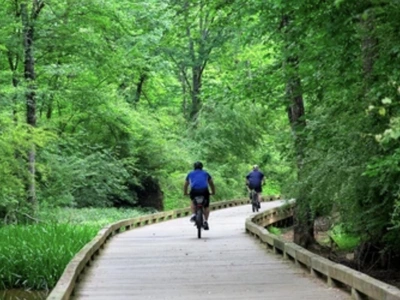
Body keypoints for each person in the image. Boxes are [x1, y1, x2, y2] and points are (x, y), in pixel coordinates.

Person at [184, 161, 215, 230]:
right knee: (206, 206)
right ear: (202, 167)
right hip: (204, 190)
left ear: (194, 167)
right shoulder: (206, 173)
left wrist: (185, 192)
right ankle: (206, 221)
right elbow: (211, 183)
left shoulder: (190, 174)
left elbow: (186, 184)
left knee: (192, 201)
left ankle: (194, 214)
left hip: (194, 190)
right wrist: (213, 192)